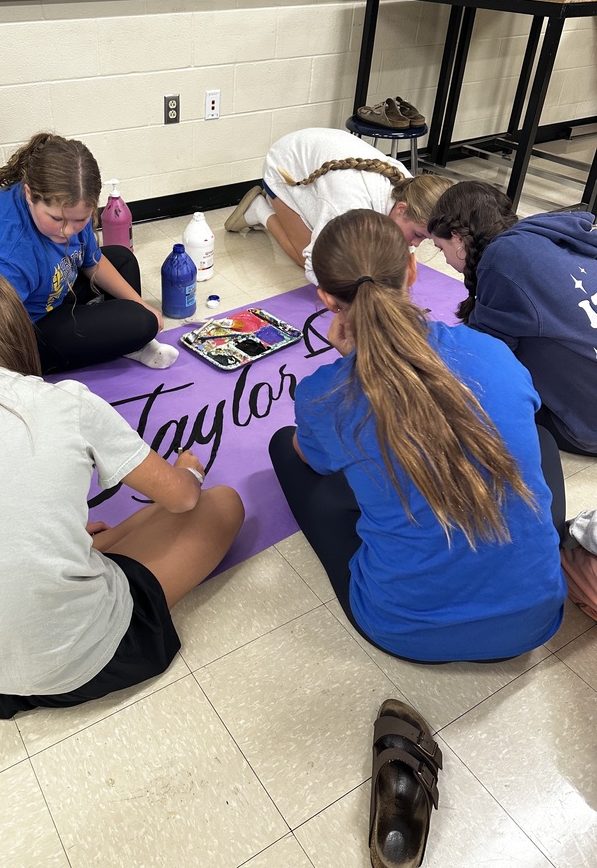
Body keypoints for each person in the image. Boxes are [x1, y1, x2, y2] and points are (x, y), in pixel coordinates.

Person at [0, 262, 244, 719]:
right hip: (87, 660)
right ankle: (91, 552)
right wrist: (188, 472)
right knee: (222, 503)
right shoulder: (66, 402)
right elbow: (183, 500)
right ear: (10, 326)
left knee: (6, 535)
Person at [269, 208, 567, 663]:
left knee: (290, 451)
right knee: (539, 442)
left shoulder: (323, 395)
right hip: (535, 623)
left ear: (328, 300)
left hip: (406, 631)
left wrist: (352, 362)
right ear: (412, 268)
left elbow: (310, 459)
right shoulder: (490, 350)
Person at [0, 132, 178, 374]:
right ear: (29, 195)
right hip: (13, 331)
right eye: (56, 219)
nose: (68, 231)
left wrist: (140, 303)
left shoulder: (67, 199)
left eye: (80, 220)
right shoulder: (4, 256)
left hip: (41, 294)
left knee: (123, 259)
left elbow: (92, 261)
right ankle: (118, 340)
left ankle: (119, 339)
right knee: (141, 323)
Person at [428, 179, 597, 456]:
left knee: (486, 394)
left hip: (587, 428)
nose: (444, 259)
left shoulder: (502, 259)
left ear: (458, 238)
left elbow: (483, 360)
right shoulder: (546, 235)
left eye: (440, 247)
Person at [224, 127, 451, 284]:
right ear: (401, 209)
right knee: (312, 258)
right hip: (284, 167)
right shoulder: (349, 203)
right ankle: (259, 209)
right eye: (418, 235)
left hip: (322, 163)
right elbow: (315, 265)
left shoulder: (410, 188)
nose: (417, 245)